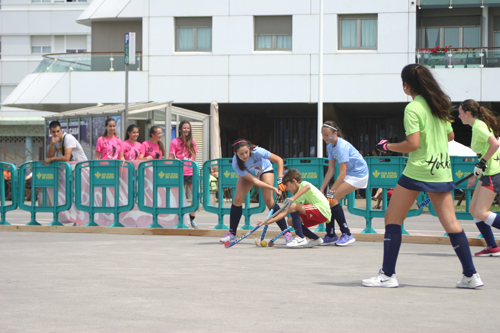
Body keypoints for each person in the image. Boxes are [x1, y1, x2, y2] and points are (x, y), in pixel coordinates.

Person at [362, 64, 483, 289]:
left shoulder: (413, 108)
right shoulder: (438, 105)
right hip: (441, 169)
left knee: (392, 218)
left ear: (406, 85)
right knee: (451, 223)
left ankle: (388, 275)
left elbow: (413, 144)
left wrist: (387, 145)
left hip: (418, 169)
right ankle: (471, 275)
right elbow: (450, 136)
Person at [219, 139, 293, 244]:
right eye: (241, 154)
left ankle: (286, 233)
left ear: (249, 148)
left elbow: (279, 160)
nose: (245, 155)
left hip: (265, 169)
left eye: (246, 152)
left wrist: (280, 178)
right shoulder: (236, 163)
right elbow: (254, 181)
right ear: (235, 154)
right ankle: (232, 234)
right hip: (250, 173)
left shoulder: (258, 151)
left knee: (268, 200)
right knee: (237, 198)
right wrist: (273, 188)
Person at [458, 99, 500, 257]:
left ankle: (493, 246)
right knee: (473, 210)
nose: (459, 116)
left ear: (467, 113)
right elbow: (484, 150)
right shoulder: (477, 126)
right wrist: (476, 175)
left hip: (494, 173)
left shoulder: (479, 127)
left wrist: (481, 163)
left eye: (460, 112)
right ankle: (492, 247)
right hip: (486, 173)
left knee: (481, 212)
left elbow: (494, 144)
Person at [319, 121, 368, 246]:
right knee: (328, 201)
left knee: (332, 199)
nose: (324, 138)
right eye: (322, 135)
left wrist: (331, 192)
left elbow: (342, 174)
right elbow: (330, 170)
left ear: (335, 133)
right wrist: (322, 189)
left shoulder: (341, 147)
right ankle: (330, 235)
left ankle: (347, 234)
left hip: (359, 174)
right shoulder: (330, 146)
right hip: (349, 173)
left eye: (327, 135)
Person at [258, 168, 331, 248]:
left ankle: (300, 237)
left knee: (292, 206)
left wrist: (293, 199)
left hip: (322, 210)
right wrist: (268, 221)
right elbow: (285, 213)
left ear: (294, 181)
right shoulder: (297, 197)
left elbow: (307, 187)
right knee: (290, 221)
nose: (287, 189)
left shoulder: (303, 184)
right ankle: (315, 239)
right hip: (317, 214)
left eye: (287, 185)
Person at [169, 120, 199, 228]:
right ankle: (179, 220)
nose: (186, 130)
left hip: (191, 172)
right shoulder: (175, 142)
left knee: (197, 195)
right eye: (184, 128)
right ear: (180, 129)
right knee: (179, 198)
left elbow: (194, 158)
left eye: (188, 128)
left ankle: (192, 218)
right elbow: (171, 158)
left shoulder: (193, 142)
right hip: (179, 173)